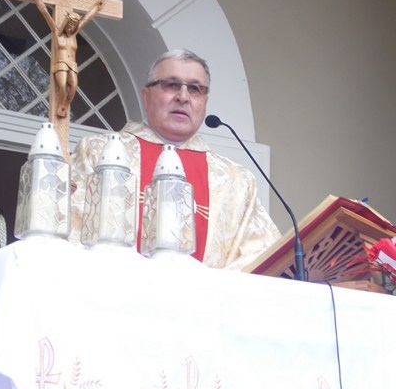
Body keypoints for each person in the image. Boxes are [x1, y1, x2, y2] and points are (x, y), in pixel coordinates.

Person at [70, 49, 280, 270]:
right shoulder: (97, 153)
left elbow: (262, 254)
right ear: (146, 96)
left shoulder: (236, 181)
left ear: (205, 102)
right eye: (171, 85)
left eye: (195, 89)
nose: (183, 97)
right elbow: (71, 234)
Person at [25, 0, 104, 119]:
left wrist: (96, 8)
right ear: (66, 24)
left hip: (72, 64)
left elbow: (86, 19)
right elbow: (45, 12)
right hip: (61, 63)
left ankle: (65, 106)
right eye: (69, 26)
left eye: (73, 27)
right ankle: (60, 105)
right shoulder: (57, 33)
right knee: (62, 86)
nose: (71, 29)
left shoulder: (73, 35)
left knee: (73, 86)